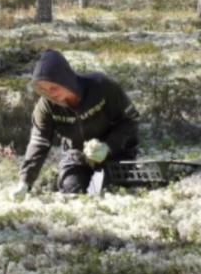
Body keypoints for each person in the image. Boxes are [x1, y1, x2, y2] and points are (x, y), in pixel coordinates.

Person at [11, 49, 140, 198]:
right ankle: (63, 179)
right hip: (76, 156)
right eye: (44, 89)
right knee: (71, 192)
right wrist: (25, 181)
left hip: (116, 153)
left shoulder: (101, 86)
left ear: (65, 79)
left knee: (107, 191)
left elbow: (131, 119)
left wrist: (108, 146)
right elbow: (39, 142)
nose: (51, 93)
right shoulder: (46, 106)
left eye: (54, 87)